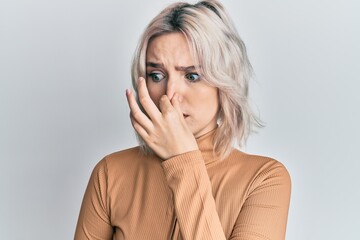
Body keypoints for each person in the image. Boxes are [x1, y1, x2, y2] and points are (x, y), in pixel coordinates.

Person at [74, 1, 291, 239]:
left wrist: (183, 160)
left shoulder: (265, 179)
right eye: (156, 75)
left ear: (224, 82)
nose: (170, 94)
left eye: (192, 75)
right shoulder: (110, 173)